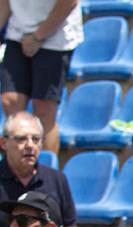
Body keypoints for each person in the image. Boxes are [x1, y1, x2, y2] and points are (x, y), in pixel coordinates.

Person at [0, 0, 81, 153]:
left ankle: (46, 171)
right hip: (17, 33)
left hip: (56, 37)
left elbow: (69, 2)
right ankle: (14, 170)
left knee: (44, 109)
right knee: (10, 101)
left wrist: (38, 37)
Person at [0, 111, 80, 227]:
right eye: (21, 139)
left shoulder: (56, 179)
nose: (30, 145)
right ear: (3, 143)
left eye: (36, 139)